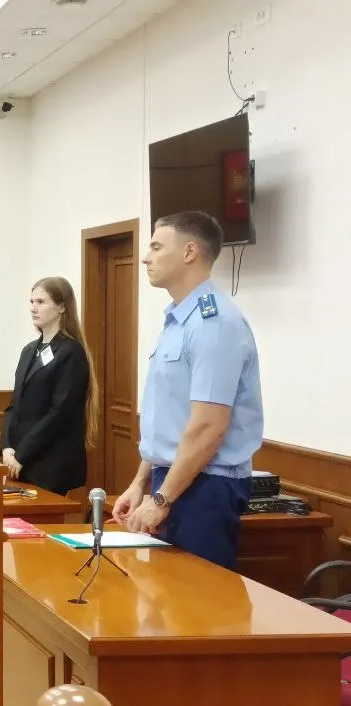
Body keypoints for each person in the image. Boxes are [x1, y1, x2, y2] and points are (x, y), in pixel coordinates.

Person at [112, 211, 262, 570]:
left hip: (206, 486)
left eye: (156, 247)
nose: (145, 257)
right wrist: (140, 483)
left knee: (195, 597)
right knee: (164, 595)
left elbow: (208, 427)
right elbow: (171, 419)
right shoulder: (179, 319)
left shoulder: (215, 322)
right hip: (175, 477)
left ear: (189, 252)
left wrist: (162, 500)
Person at [0, 277, 99, 496]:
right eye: (31, 302)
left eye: (41, 302)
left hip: (51, 465)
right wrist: (7, 448)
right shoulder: (29, 350)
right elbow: (13, 405)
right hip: (20, 462)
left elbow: (60, 413)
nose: (33, 308)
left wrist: (21, 455)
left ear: (62, 306)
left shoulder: (71, 352)